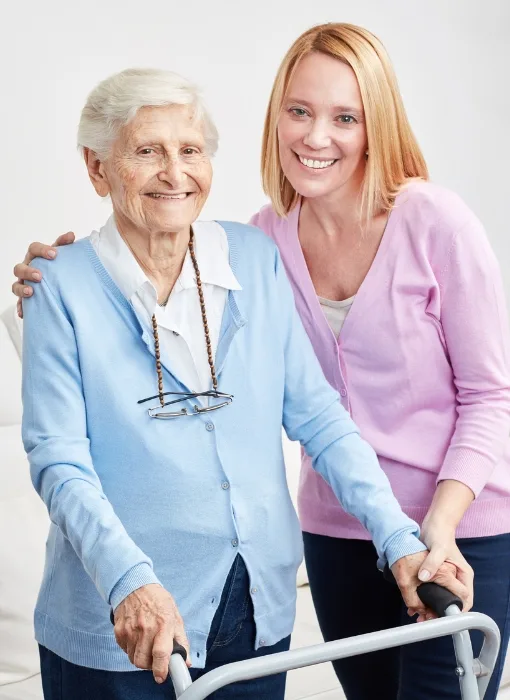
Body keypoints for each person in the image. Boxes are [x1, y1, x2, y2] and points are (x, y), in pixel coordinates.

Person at [15, 22, 507, 699]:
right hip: (120, 619)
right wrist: (131, 581)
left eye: (191, 149)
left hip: (259, 605)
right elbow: (58, 458)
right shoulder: (62, 285)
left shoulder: (253, 257)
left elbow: (320, 416)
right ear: (98, 167)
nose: (174, 171)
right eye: (146, 151)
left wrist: (402, 537)